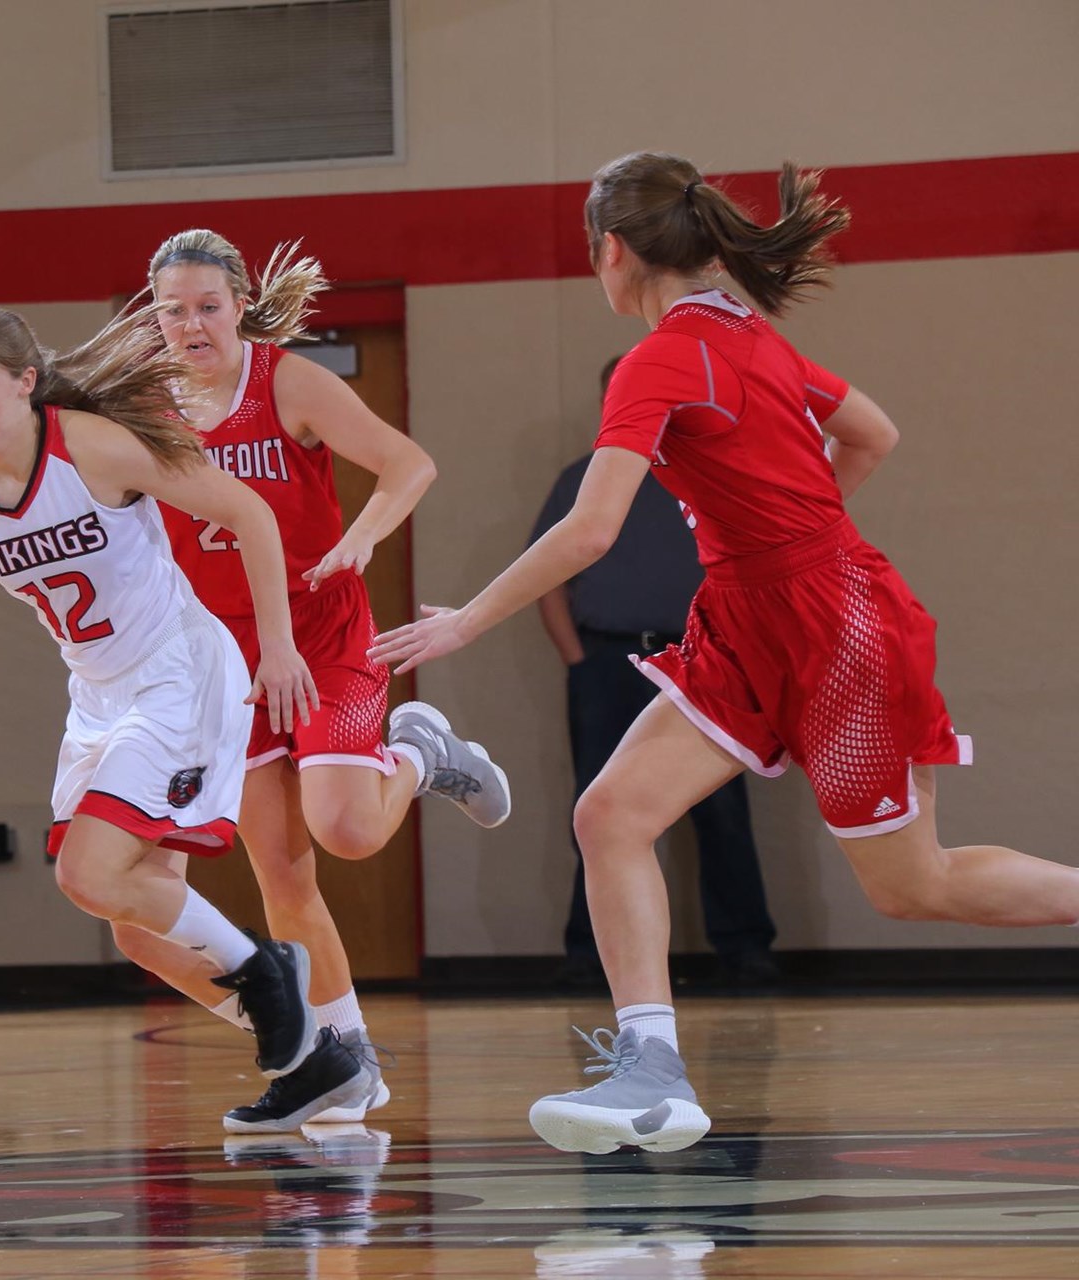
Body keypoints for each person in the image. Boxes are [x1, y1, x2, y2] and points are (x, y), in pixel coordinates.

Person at [369, 152, 1079, 1156]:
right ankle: (654, 1074)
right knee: (610, 813)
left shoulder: (665, 355)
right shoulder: (753, 336)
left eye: (591, 253)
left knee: (911, 884)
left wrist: (463, 621)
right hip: (753, 613)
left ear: (612, 251)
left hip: (833, 630)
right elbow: (872, 434)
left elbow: (591, 529)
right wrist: (788, 532)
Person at [0, 304, 369, 1122]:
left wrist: (281, 647)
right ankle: (318, 1062)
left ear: (26, 384)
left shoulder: (90, 447)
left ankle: (265, 970)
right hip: (99, 696)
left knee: (87, 873)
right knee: (139, 930)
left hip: (178, 674)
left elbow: (249, 513)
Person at [109, 231, 511, 1132]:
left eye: (207, 305)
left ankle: (418, 749)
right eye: (172, 309)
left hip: (322, 635)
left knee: (348, 830)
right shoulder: (140, 407)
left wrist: (366, 531)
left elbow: (410, 464)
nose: (190, 324)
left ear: (240, 303)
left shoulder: (285, 382)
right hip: (231, 665)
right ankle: (346, 1065)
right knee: (284, 878)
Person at [534, 360, 778, 989]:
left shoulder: (711, 475)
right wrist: (575, 657)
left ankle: (746, 947)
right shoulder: (579, 481)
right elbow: (549, 579)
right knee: (595, 806)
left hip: (702, 660)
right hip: (607, 661)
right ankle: (588, 953)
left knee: (722, 810)